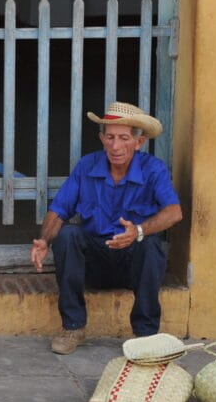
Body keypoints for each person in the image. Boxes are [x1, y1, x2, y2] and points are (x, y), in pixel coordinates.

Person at [30, 102, 183, 355]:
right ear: (102, 139)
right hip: (94, 265)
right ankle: (73, 327)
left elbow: (174, 212)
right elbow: (59, 210)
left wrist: (138, 231)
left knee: (150, 243)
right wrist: (44, 240)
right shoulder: (87, 166)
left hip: (131, 265)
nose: (115, 146)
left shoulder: (153, 169)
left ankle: (145, 334)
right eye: (110, 137)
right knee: (67, 235)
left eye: (124, 138)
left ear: (139, 142)